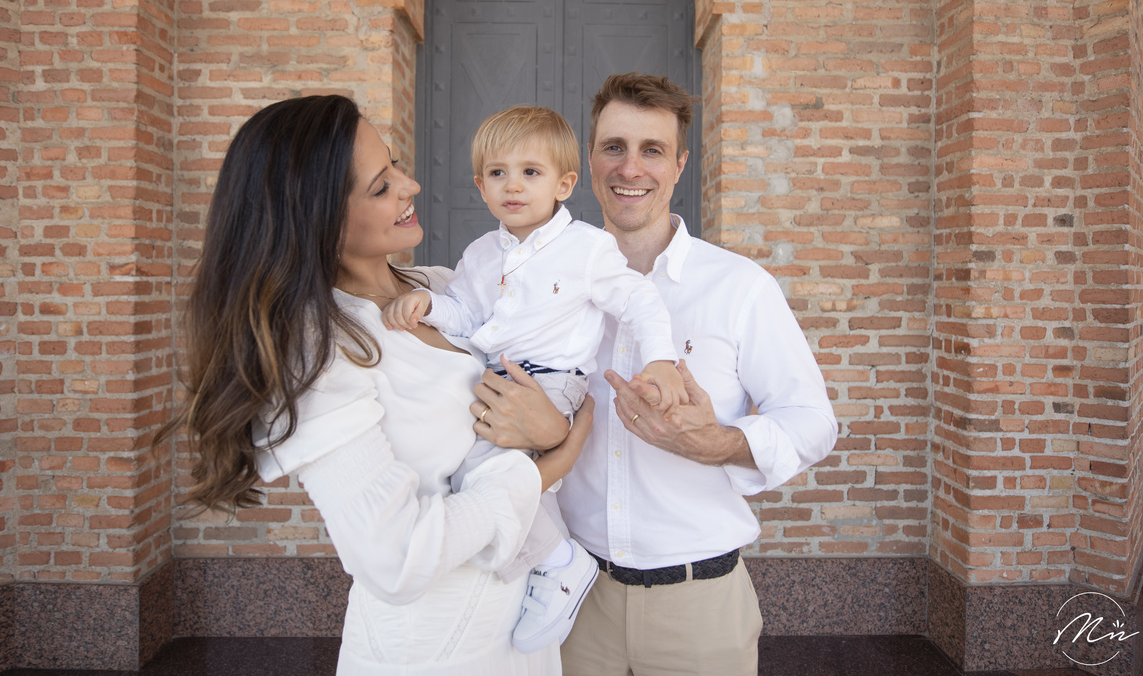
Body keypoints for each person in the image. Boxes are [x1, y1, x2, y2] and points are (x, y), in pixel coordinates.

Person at [154, 95, 591, 676]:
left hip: (524, 629)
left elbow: (548, 377)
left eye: (395, 166)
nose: (410, 186)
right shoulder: (316, 352)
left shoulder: (440, 286)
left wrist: (553, 427)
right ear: (316, 217)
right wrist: (543, 469)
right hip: (434, 650)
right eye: (381, 186)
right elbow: (394, 558)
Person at [469, 73, 839, 676]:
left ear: (679, 165)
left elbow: (813, 424)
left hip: (700, 608)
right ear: (588, 162)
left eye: (653, 151)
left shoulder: (740, 288)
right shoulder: (525, 282)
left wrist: (717, 442)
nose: (630, 168)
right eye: (614, 147)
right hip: (570, 598)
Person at [382, 105, 685, 652]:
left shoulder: (588, 249)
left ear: (565, 183)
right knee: (471, 467)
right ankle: (543, 560)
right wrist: (428, 305)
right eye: (497, 174)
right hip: (495, 376)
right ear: (480, 185)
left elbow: (640, 300)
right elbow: (468, 318)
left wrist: (660, 359)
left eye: (531, 172)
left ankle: (558, 562)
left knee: (486, 469)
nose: (512, 186)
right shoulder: (479, 256)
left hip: (552, 382)